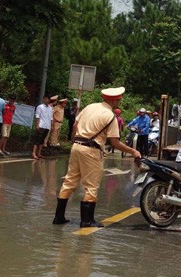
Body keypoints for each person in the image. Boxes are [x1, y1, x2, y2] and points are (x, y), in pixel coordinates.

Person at [52, 87, 141, 227]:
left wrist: (74, 140)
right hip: (91, 150)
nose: (120, 101)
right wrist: (133, 151)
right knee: (91, 186)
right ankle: (87, 221)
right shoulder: (110, 116)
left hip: (76, 146)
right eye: (119, 99)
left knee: (70, 181)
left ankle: (59, 217)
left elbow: (75, 124)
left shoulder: (90, 107)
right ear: (113, 100)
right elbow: (115, 142)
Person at [32, 95, 53, 160]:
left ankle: (39, 153)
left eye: (46, 99)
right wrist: (37, 125)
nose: (45, 100)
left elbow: (51, 118)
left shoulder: (50, 108)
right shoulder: (40, 107)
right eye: (44, 99)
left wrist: (51, 126)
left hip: (47, 126)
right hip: (41, 125)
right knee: (37, 140)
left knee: (42, 140)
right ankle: (33, 153)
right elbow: (37, 116)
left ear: (49, 100)